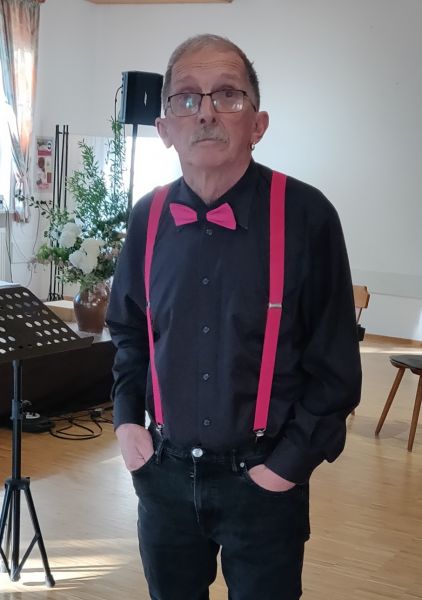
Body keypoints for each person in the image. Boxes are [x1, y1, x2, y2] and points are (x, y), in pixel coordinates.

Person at [106, 33, 361, 600]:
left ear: (258, 124)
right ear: (165, 128)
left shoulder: (308, 216)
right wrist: (127, 423)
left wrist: (287, 466)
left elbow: (335, 367)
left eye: (228, 94)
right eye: (187, 98)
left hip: (264, 482)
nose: (206, 112)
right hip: (163, 476)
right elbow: (129, 331)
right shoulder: (147, 217)